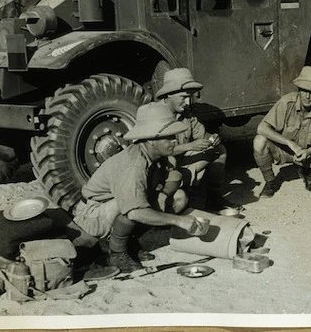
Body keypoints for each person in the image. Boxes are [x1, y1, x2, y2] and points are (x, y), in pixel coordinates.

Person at [72, 102, 210, 273]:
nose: (174, 141)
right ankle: (116, 252)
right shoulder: (133, 165)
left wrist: (164, 194)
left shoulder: (156, 154)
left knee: (176, 197)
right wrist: (179, 220)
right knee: (133, 206)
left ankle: (129, 243)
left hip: (112, 206)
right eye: (168, 137)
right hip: (93, 215)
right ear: (151, 140)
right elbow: (135, 212)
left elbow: (175, 175)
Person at [156, 68, 238, 212]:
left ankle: (214, 198)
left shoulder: (186, 114)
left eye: (190, 97)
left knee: (219, 150)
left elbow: (201, 135)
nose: (188, 102)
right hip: (162, 172)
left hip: (180, 164)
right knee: (179, 200)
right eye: (183, 97)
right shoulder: (154, 116)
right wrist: (190, 146)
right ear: (169, 95)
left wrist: (212, 138)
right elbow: (157, 151)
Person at [253, 66, 311, 198]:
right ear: (299, 89)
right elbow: (262, 128)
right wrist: (289, 143)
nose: (307, 96)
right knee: (259, 141)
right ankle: (270, 181)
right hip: (285, 150)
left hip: (309, 154)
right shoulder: (287, 102)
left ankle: (309, 172)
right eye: (304, 90)